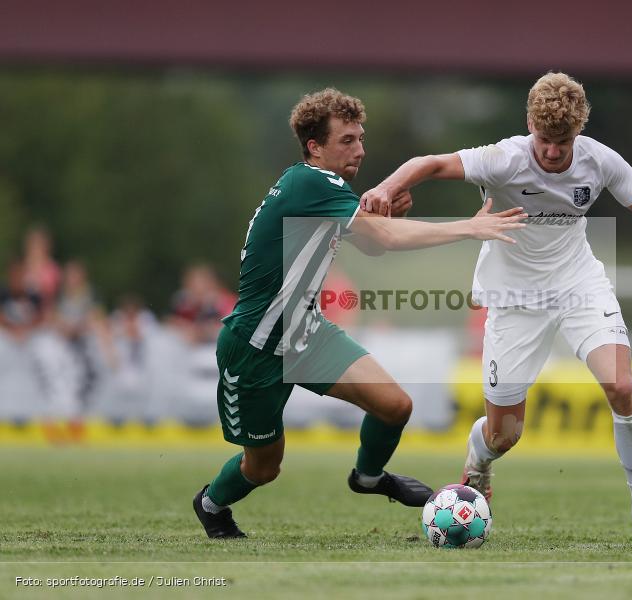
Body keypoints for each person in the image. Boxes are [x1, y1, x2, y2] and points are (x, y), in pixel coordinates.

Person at [360, 72, 632, 544]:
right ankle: (479, 459)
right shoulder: (504, 159)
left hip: (578, 284)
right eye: (544, 140)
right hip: (513, 298)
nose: (552, 152)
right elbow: (427, 163)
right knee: (504, 434)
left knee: (621, 385)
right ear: (530, 124)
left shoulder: (599, 161)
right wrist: (385, 188)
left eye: (563, 141)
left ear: (579, 132)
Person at [192, 88, 526, 539]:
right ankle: (211, 504)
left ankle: (367, 477)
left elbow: (371, 244)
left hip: (306, 334)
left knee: (395, 406)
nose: (360, 149)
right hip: (254, 346)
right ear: (315, 147)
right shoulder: (312, 182)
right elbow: (385, 239)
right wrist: (470, 227)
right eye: (347, 140)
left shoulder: (322, 189)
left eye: (360, 138)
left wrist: (392, 213)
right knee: (264, 466)